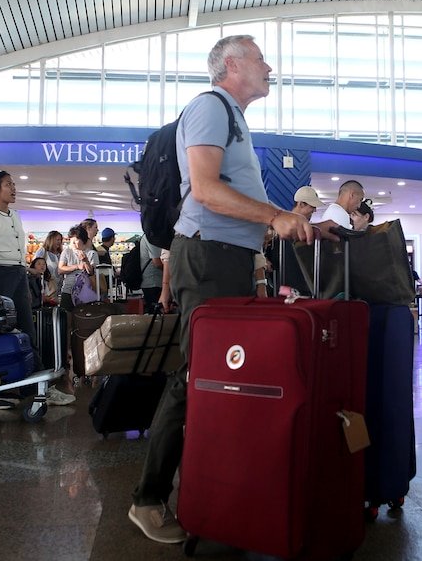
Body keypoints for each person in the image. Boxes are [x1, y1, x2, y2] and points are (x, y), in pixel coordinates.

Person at [127, 34, 336, 544]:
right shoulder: (208, 107)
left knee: (217, 370)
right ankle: (148, 498)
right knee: (197, 371)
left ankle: (208, 482)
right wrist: (275, 215)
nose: (270, 66)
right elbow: (205, 190)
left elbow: (232, 201)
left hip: (230, 258)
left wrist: (297, 225)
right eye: (261, 59)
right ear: (232, 66)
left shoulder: (235, 118)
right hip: (208, 258)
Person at [0, 169, 74, 407]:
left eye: (14, 184)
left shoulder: (14, 215)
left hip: (18, 274)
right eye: (8, 184)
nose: (14, 188)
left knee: (27, 331)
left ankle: (36, 388)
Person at [34, 230, 64, 298]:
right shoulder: (43, 252)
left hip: (58, 288)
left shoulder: (61, 254)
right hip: (45, 287)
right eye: (57, 240)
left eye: (60, 240)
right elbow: (35, 266)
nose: (59, 242)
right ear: (51, 240)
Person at [139, 235, 164, 312]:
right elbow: (157, 263)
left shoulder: (148, 236)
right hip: (153, 282)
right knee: (157, 314)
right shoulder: (151, 237)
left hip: (151, 282)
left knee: (154, 312)